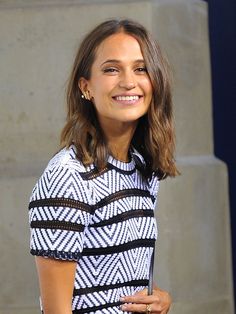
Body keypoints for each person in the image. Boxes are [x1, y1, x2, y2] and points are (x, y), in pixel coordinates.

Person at [28, 19, 178, 314]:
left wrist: (158, 299)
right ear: (86, 87)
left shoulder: (141, 169)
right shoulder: (68, 176)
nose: (128, 82)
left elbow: (118, 276)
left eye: (140, 68)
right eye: (111, 69)